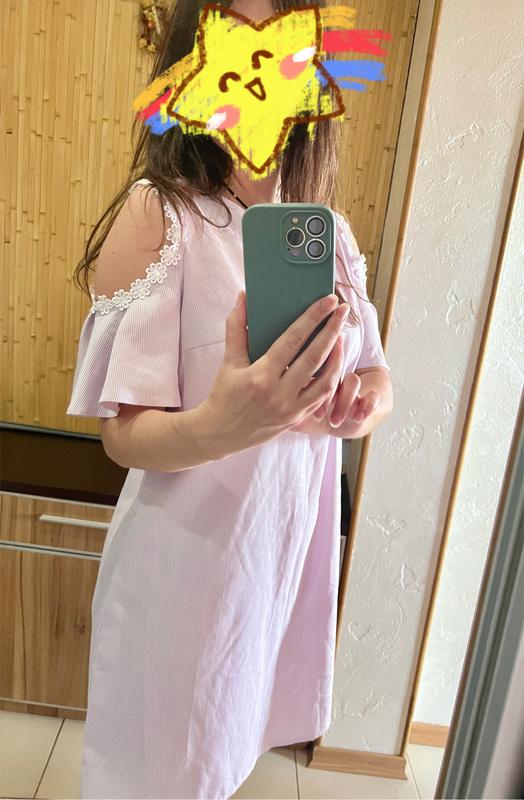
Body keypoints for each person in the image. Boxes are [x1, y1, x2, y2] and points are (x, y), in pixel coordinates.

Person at [67, 0, 393, 797]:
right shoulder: (161, 216)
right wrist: (224, 424)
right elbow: (123, 435)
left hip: (276, 559)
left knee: (223, 751)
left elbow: (378, 378)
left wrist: (359, 405)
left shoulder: (327, 236)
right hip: (187, 567)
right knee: (162, 771)